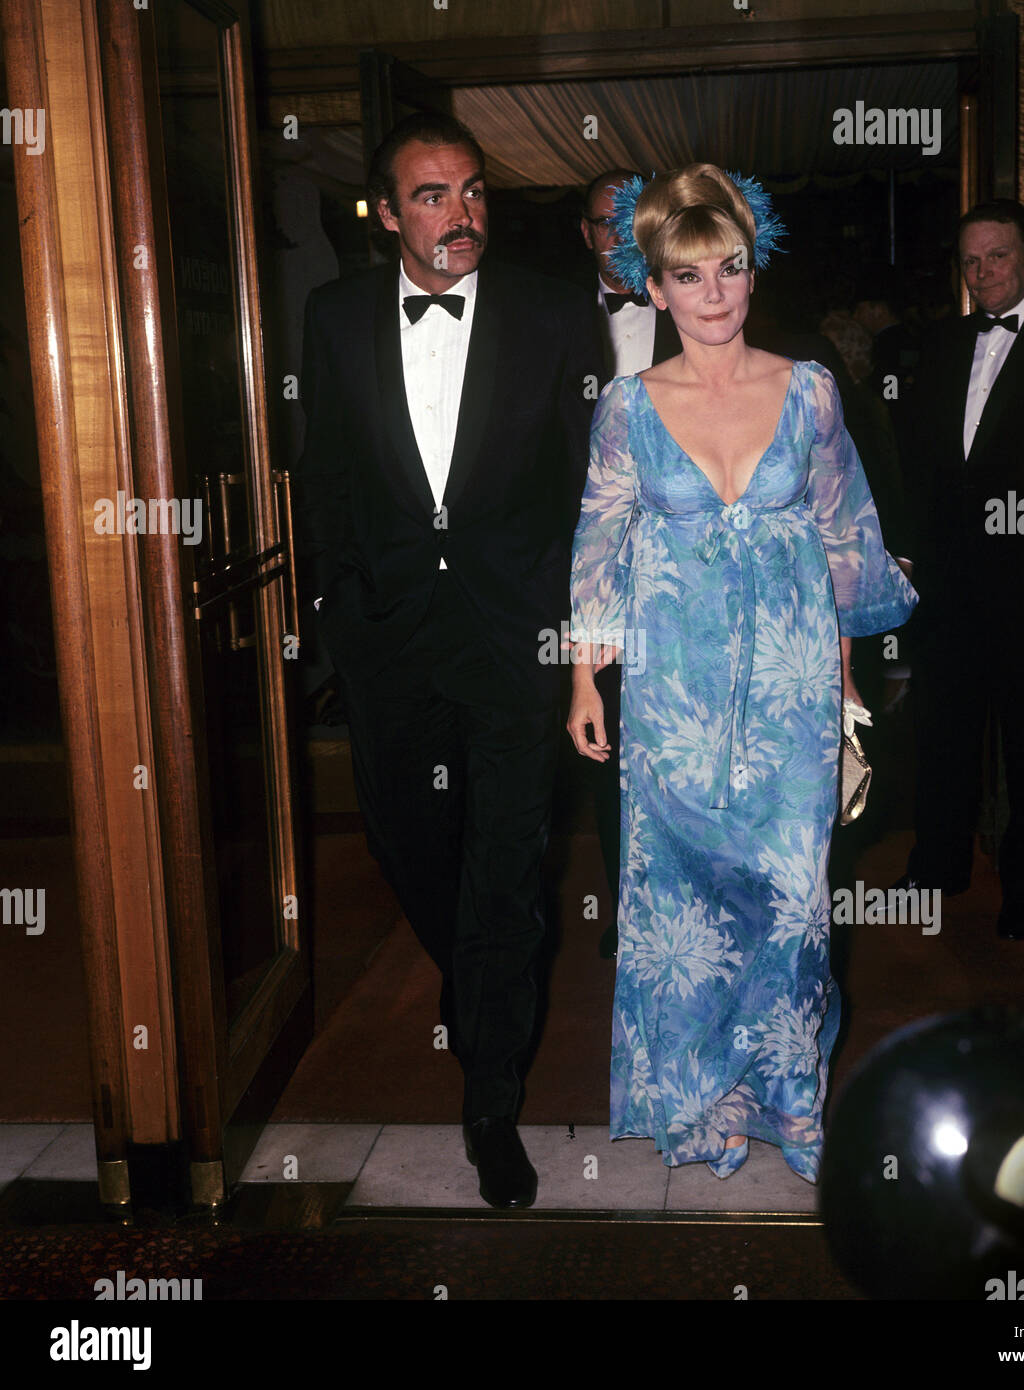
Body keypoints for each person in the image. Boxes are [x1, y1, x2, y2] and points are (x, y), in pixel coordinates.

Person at [566, 165, 916, 1181]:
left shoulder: (807, 388)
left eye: (730, 268)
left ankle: (790, 1096)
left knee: (791, 900)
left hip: (793, 679)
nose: (713, 293)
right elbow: (599, 545)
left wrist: (848, 684)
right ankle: (703, 1096)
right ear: (653, 286)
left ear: (752, 274)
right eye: (688, 275)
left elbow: (846, 537)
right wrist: (585, 680)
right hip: (674, 687)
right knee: (683, 898)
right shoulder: (627, 406)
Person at [292, 112, 603, 1209]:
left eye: (472, 192)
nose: (460, 214)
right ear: (385, 216)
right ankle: (478, 997)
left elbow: (587, 492)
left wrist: (579, 636)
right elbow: (321, 473)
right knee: (410, 843)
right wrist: (336, 604)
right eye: (431, 196)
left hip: (517, 640)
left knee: (509, 867)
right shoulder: (330, 321)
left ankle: (490, 1101)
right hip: (387, 641)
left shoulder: (557, 316)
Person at [895, 199, 1024, 941]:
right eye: (969, 260)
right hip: (945, 579)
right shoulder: (940, 342)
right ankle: (937, 865)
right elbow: (916, 462)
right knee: (942, 729)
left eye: (996, 255)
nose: (982, 272)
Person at [578, 169, 681, 959]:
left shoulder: (701, 307)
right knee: (608, 758)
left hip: (690, 573)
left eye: (631, 221)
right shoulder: (546, 321)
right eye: (604, 223)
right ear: (587, 234)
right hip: (593, 572)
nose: (618, 236)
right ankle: (632, 911)